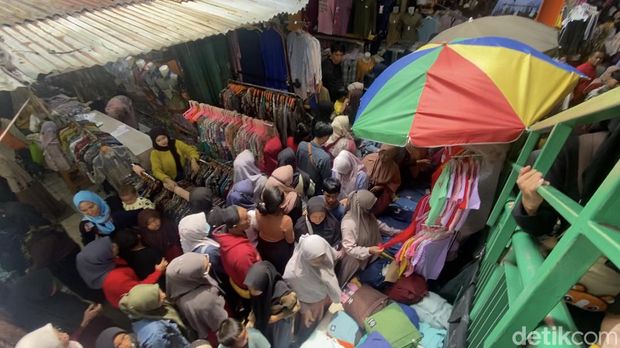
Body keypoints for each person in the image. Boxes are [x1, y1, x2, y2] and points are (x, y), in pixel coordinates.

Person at [513, 120, 620, 333]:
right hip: (542, 280)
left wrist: (615, 317)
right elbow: (539, 226)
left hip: (603, 311)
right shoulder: (580, 150)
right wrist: (530, 204)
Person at [23, 224, 103, 302]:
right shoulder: (45, 230)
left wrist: (32, 270)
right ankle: (100, 290)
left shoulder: (36, 242)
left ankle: (98, 297)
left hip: (64, 263)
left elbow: (42, 259)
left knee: (78, 283)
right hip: (72, 251)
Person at [283, 235, 341, 339]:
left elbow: (333, 254)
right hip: (311, 305)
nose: (320, 262)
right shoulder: (293, 274)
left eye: (322, 257)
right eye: (314, 260)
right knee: (309, 328)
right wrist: (305, 309)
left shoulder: (322, 247)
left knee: (324, 321)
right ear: (305, 257)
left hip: (325, 296)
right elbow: (291, 294)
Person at [338, 190, 400, 286]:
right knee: (353, 285)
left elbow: (377, 224)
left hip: (370, 256)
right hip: (355, 262)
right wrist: (369, 250)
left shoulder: (366, 214)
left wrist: (394, 233)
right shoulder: (348, 223)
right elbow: (349, 248)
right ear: (363, 208)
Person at [166, 253, 229, 340]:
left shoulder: (180, 286)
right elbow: (224, 324)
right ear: (191, 276)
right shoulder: (205, 300)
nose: (209, 265)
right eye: (205, 269)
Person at [244, 261, 299, 348]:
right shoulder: (259, 290)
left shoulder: (283, 293)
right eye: (249, 287)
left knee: (279, 344)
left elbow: (295, 308)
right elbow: (255, 306)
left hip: (279, 326)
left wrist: (276, 317)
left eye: (255, 288)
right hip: (265, 322)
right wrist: (251, 319)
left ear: (266, 283)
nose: (252, 291)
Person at [210, 206, 260, 300]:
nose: (250, 218)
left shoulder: (227, 232)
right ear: (235, 226)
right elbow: (253, 281)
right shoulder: (241, 253)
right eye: (246, 218)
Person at [119, 284, 192, 346]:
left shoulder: (139, 312)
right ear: (149, 305)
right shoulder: (155, 334)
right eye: (159, 298)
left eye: (160, 291)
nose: (164, 295)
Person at [255, 187, 295, 274]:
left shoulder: (258, 211)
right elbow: (290, 240)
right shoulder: (285, 220)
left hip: (262, 245)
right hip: (278, 250)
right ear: (281, 205)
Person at [178, 209, 223, 275]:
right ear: (195, 232)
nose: (206, 224)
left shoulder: (189, 241)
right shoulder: (210, 251)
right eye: (203, 225)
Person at [363, 144, 402, 215]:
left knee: (376, 209)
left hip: (381, 190)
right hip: (365, 186)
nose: (383, 157)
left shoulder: (393, 167)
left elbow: (395, 182)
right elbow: (360, 172)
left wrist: (381, 187)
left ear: (392, 156)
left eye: (387, 155)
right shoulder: (369, 158)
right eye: (381, 154)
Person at [296, 121, 334, 194]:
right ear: (325, 137)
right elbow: (326, 179)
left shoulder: (301, 145)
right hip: (314, 189)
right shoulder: (325, 157)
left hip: (300, 182)